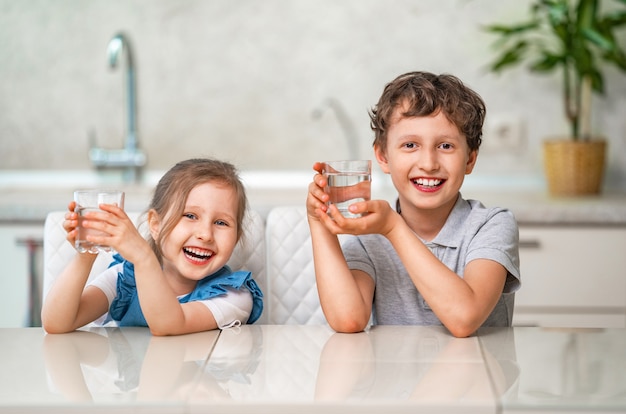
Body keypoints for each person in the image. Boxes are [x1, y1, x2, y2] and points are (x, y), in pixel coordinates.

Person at [306, 71, 520, 337]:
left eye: (445, 146)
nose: (428, 163)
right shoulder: (371, 240)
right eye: (410, 145)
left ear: (469, 160)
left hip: (478, 375)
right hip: (398, 378)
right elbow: (348, 319)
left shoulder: (491, 225)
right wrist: (319, 222)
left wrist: (394, 229)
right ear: (383, 157)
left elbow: (465, 318)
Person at [42, 158, 263, 336]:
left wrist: (143, 257)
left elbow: (170, 324)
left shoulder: (235, 295)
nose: (205, 234)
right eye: (190, 216)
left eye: (221, 223)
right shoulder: (126, 279)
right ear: (155, 226)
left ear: (236, 238)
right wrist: (86, 253)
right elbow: (57, 323)